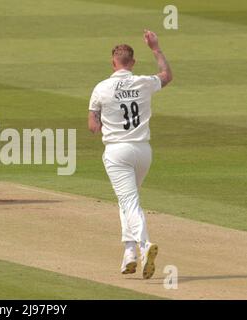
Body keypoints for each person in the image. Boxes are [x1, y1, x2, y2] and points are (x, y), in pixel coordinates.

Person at [88, 30, 172, 279]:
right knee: (126, 201)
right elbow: (167, 76)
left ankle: (145, 245)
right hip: (143, 151)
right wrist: (155, 48)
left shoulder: (102, 88)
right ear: (132, 63)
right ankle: (129, 253)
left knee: (130, 202)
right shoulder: (143, 82)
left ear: (113, 63)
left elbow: (93, 127)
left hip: (117, 152)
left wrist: (104, 121)